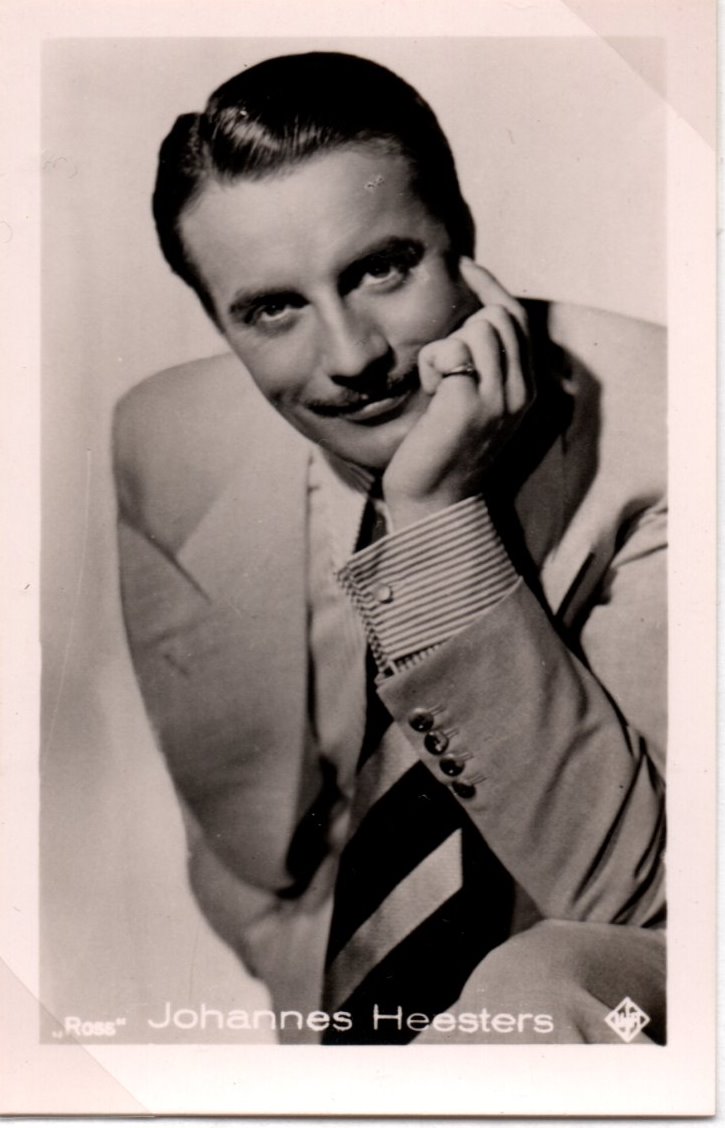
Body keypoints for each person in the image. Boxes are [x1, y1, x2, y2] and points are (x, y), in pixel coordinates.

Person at [114, 51, 666, 1045]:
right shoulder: (166, 442)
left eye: (380, 268)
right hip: (365, 1034)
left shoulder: (678, 424)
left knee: (538, 991)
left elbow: (638, 899)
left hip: (634, 997)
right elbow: (249, 851)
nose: (350, 357)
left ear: (463, 241)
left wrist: (433, 516)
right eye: (272, 308)